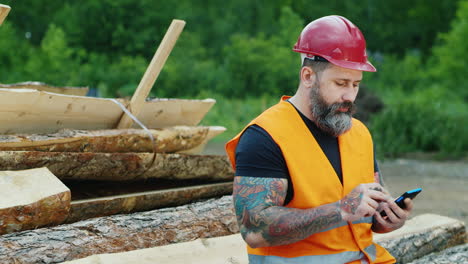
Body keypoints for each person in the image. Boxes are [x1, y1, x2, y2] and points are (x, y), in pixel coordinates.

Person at [225, 15, 413, 264]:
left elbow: (363, 220)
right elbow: (254, 231)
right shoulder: (264, 137)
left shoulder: (359, 133)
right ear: (308, 76)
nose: (350, 95)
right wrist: (341, 209)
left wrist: (387, 219)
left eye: (356, 84)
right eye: (340, 83)